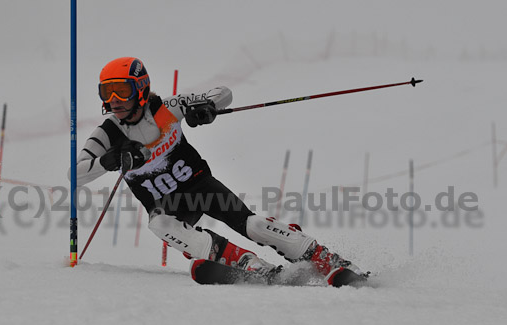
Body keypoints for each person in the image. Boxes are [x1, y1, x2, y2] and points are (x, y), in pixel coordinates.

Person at [70, 57, 365, 285]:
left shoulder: (166, 109)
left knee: (253, 225)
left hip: (199, 186)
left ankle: (319, 255)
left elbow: (223, 92)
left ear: (141, 88)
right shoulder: (108, 133)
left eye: (121, 90)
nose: (114, 101)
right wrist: (109, 161)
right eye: (107, 92)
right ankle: (244, 262)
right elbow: (75, 174)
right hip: (165, 204)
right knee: (158, 225)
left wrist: (206, 105)